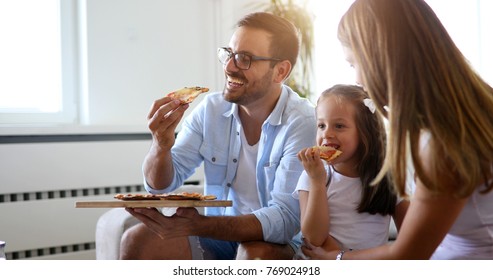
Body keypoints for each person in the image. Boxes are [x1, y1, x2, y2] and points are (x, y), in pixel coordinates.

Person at [301, 0, 493, 260]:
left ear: (382, 56)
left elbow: (408, 254)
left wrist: (337, 260)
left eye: (354, 63)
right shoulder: (470, 109)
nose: (358, 79)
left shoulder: (445, 142)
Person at [119, 12, 317, 260]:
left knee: (253, 253)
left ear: (280, 71)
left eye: (245, 58)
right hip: (220, 236)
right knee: (137, 240)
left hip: (281, 243)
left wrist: (197, 225)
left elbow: (286, 220)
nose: (230, 67)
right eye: (229, 54)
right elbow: (161, 186)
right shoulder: (211, 110)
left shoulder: (303, 122)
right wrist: (160, 145)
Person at [293, 84, 409, 259]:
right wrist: (317, 182)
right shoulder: (312, 175)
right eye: (321, 125)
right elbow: (313, 238)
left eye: (339, 126)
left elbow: (411, 241)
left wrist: (341, 258)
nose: (327, 134)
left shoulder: (389, 178)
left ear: (365, 133)